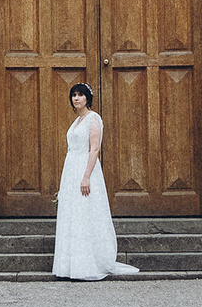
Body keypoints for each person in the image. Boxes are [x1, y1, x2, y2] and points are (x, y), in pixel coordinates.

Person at [50, 81, 139, 280]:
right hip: (71, 168)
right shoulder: (76, 122)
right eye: (74, 95)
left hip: (85, 168)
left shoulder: (93, 119)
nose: (76, 98)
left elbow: (95, 149)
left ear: (87, 98)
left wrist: (86, 176)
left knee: (85, 212)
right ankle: (70, 265)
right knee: (73, 214)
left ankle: (87, 264)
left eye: (80, 95)